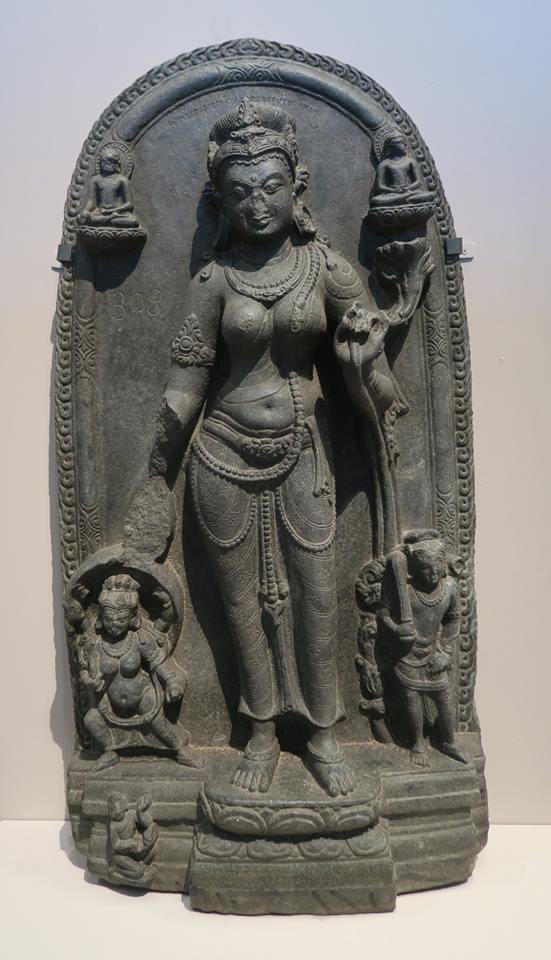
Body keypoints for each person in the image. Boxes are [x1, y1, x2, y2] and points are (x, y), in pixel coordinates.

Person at [145, 99, 399, 796]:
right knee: (242, 605)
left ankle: (322, 734)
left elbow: (376, 382)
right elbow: (184, 386)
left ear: (297, 187)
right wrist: (155, 472)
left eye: (270, 187)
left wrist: (362, 362)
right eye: (240, 192)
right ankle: (258, 731)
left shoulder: (327, 271)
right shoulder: (213, 283)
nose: (257, 204)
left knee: (316, 596)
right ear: (221, 203)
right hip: (221, 455)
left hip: (303, 450)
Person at [77, 574, 200, 770]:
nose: (114, 623)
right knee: (91, 719)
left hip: (143, 694)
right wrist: (89, 681)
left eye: (121, 618)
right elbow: (84, 671)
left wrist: (172, 683)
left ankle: (179, 749)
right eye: (109, 618)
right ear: (100, 617)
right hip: (109, 704)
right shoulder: (95, 643)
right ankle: (109, 751)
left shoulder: (139, 639)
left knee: (158, 721)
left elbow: (160, 664)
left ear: (133, 617)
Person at [381, 530, 469, 767]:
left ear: (443, 563)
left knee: (445, 699)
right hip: (406, 656)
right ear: (414, 569)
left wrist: (446, 651)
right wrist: (396, 629)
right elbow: (384, 613)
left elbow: (453, 619)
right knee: (411, 701)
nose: (432, 574)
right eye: (425, 569)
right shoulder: (406, 591)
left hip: (433, 654)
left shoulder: (449, 588)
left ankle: (448, 741)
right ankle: (417, 743)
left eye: (436, 567)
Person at [80, 146, 139, 227]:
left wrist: (113, 211)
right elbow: (91, 202)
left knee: (133, 221)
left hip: (118, 213)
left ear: (115, 164)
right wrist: (86, 211)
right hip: (100, 212)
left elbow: (129, 204)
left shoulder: (122, 180)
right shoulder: (95, 179)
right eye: (102, 162)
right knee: (81, 219)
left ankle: (105, 220)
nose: (104, 165)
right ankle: (109, 219)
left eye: (108, 162)